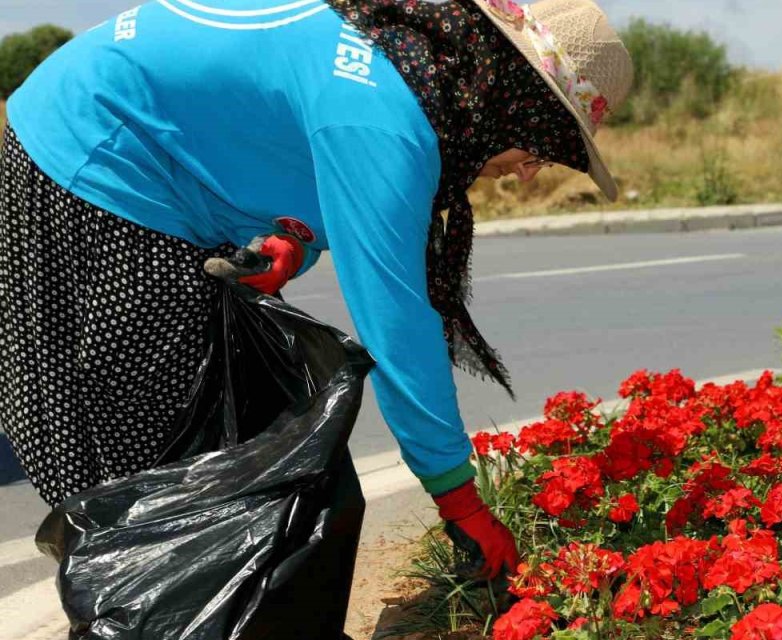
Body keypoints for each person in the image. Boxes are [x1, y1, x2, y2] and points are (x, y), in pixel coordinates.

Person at [0, 0, 632, 583]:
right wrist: (458, 499)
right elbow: (396, 325)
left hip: (125, 153)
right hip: (89, 157)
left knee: (199, 453)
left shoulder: (401, 59)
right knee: (148, 452)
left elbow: (271, 131)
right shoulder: (386, 117)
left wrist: (289, 242)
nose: (528, 172)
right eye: (545, 144)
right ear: (512, 96)